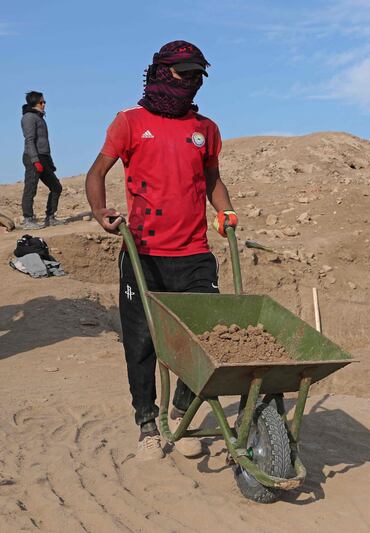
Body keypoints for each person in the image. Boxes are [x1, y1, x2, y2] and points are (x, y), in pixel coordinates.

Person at [85, 41, 237, 460]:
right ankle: (147, 422)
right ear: (160, 73)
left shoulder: (206, 129)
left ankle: (185, 405)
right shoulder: (130, 122)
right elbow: (98, 172)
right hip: (144, 254)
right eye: (182, 73)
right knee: (141, 343)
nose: (190, 82)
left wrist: (224, 211)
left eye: (196, 76)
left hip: (194, 254)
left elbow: (212, 179)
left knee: (208, 334)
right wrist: (101, 212)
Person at [20, 91, 62, 229]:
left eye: (44, 102)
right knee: (30, 189)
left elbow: (44, 143)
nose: (44, 104)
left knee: (56, 187)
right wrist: (35, 160)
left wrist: (49, 163)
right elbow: (30, 140)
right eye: (41, 102)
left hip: (43, 158)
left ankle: (50, 218)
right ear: (34, 103)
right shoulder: (29, 118)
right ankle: (28, 219)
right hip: (33, 158)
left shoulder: (39, 117)